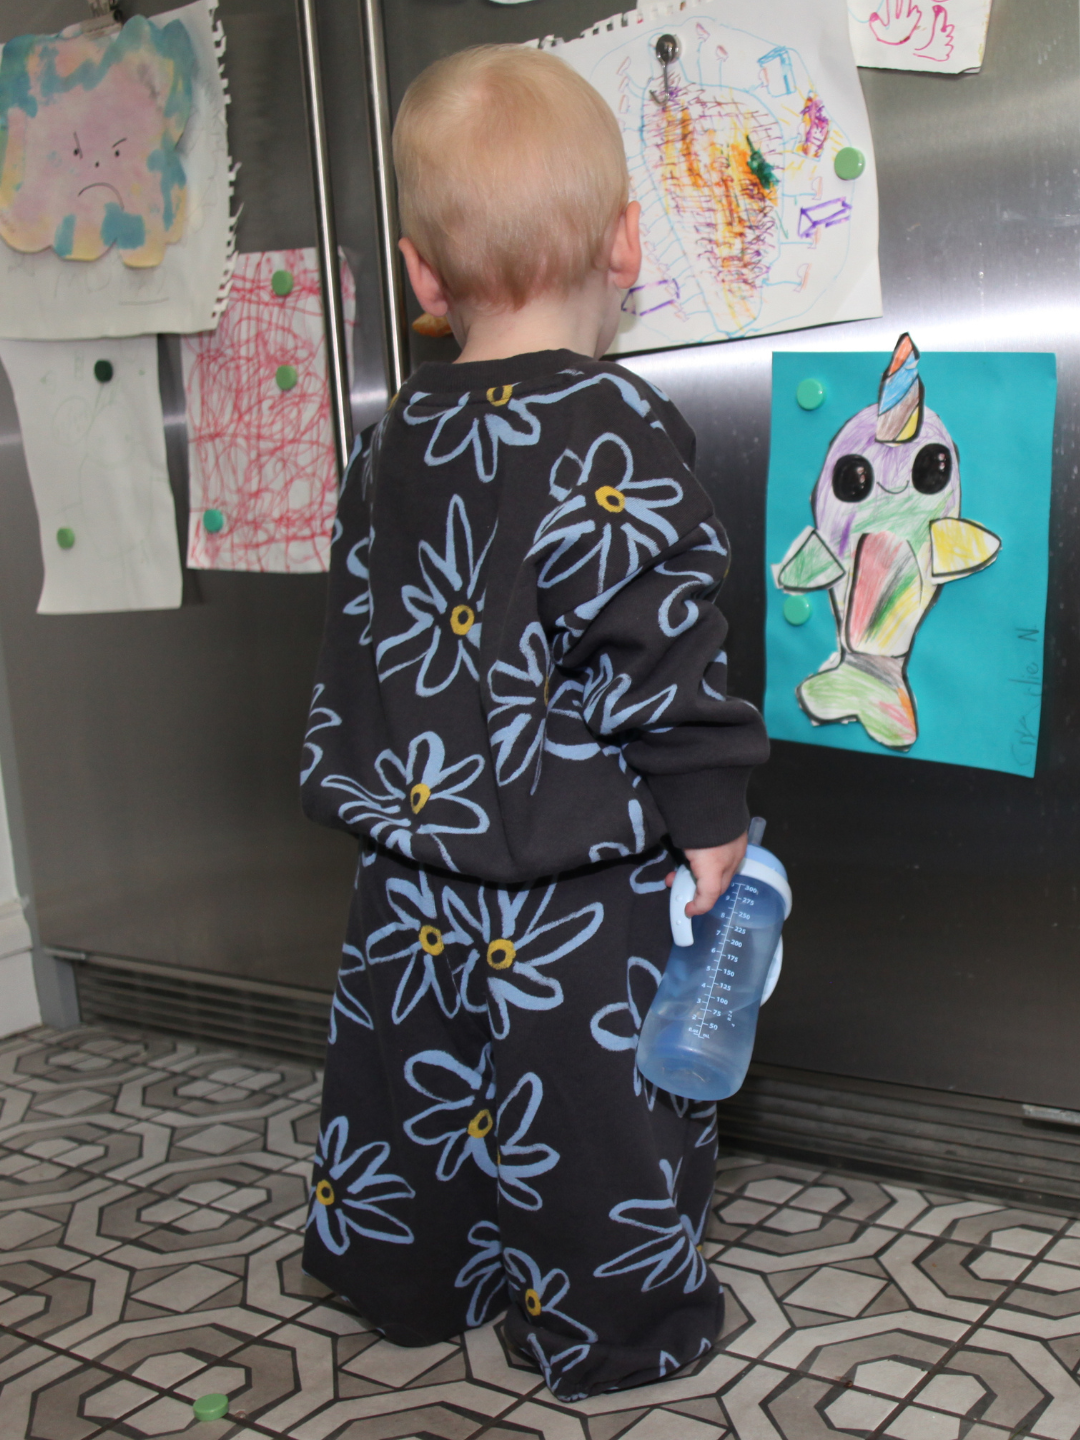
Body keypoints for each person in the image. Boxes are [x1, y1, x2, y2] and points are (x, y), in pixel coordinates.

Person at [299, 43, 769, 1402]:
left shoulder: (388, 443)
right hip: (578, 880)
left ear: (420, 275)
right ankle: (615, 1331)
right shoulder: (618, 434)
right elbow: (660, 649)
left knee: (411, 1088)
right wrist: (712, 820)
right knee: (594, 1114)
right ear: (628, 243)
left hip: (408, 866)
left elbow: (373, 637)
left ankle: (407, 1284)